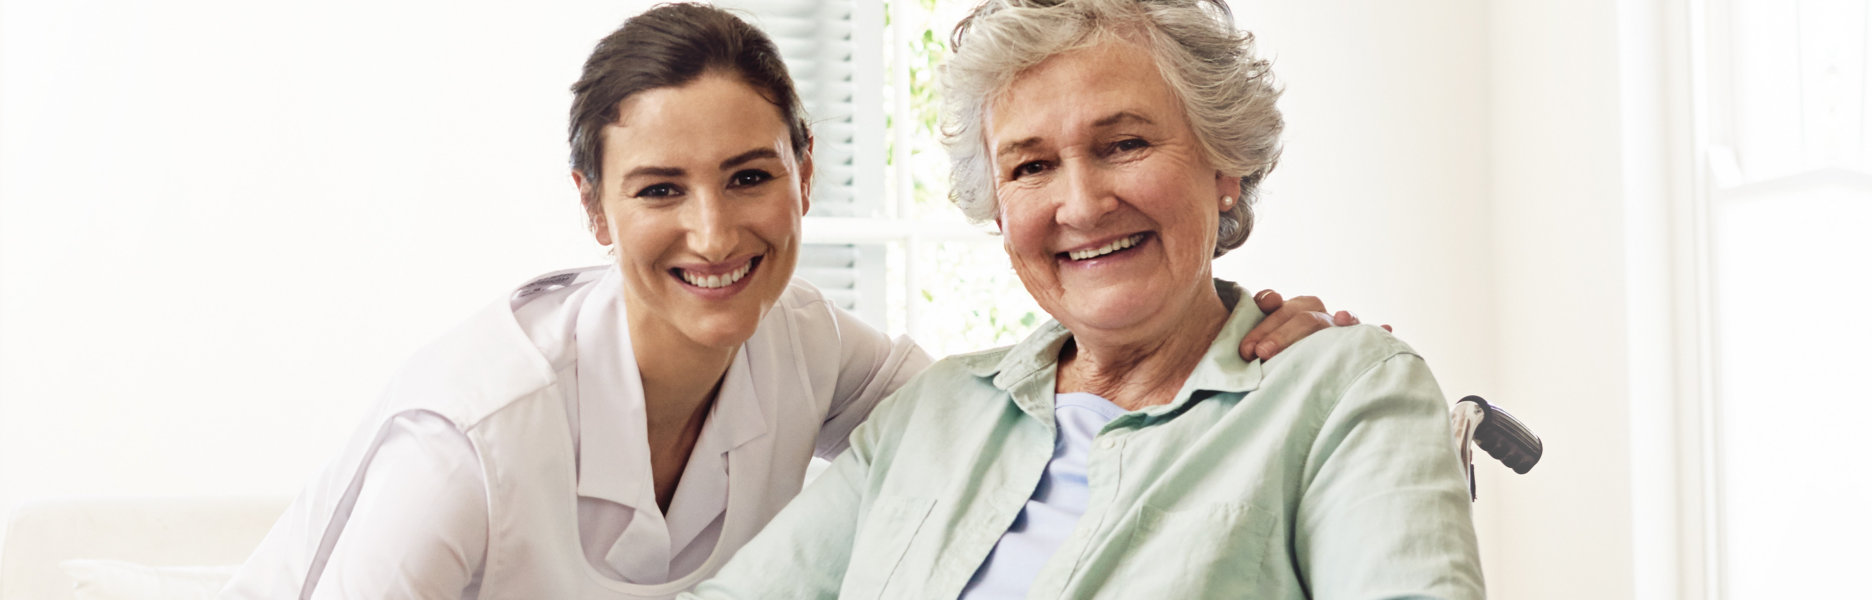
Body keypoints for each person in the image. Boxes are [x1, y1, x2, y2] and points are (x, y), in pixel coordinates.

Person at [221, 3, 1359, 599]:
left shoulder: (811, 344)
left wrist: (1250, 343)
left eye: (751, 177)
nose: (716, 235)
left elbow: (1012, 420)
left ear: (806, 174)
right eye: (660, 190)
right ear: (593, 207)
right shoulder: (464, 439)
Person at [681, 0, 1484, 598]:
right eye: (1030, 167)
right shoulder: (931, 413)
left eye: (1125, 144)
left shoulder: (1344, 392)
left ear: (1223, 164)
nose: (1082, 204)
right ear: (999, 211)